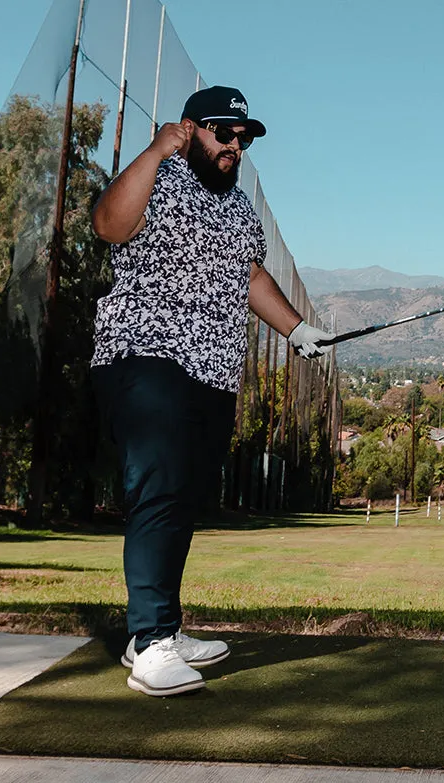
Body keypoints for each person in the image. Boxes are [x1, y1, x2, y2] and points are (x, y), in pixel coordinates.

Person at [91, 85, 328, 697]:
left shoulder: (237, 208)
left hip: (213, 372)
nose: (235, 147)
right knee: (159, 490)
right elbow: (109, 225)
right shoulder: (160, 177)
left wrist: (299, 331)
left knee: (185, 499)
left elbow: (249, 275)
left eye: (244, 139)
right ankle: (150, 645)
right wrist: (153, 150)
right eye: (224, 134)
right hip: (145, 354)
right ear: (190, 129)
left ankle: (160, 627)